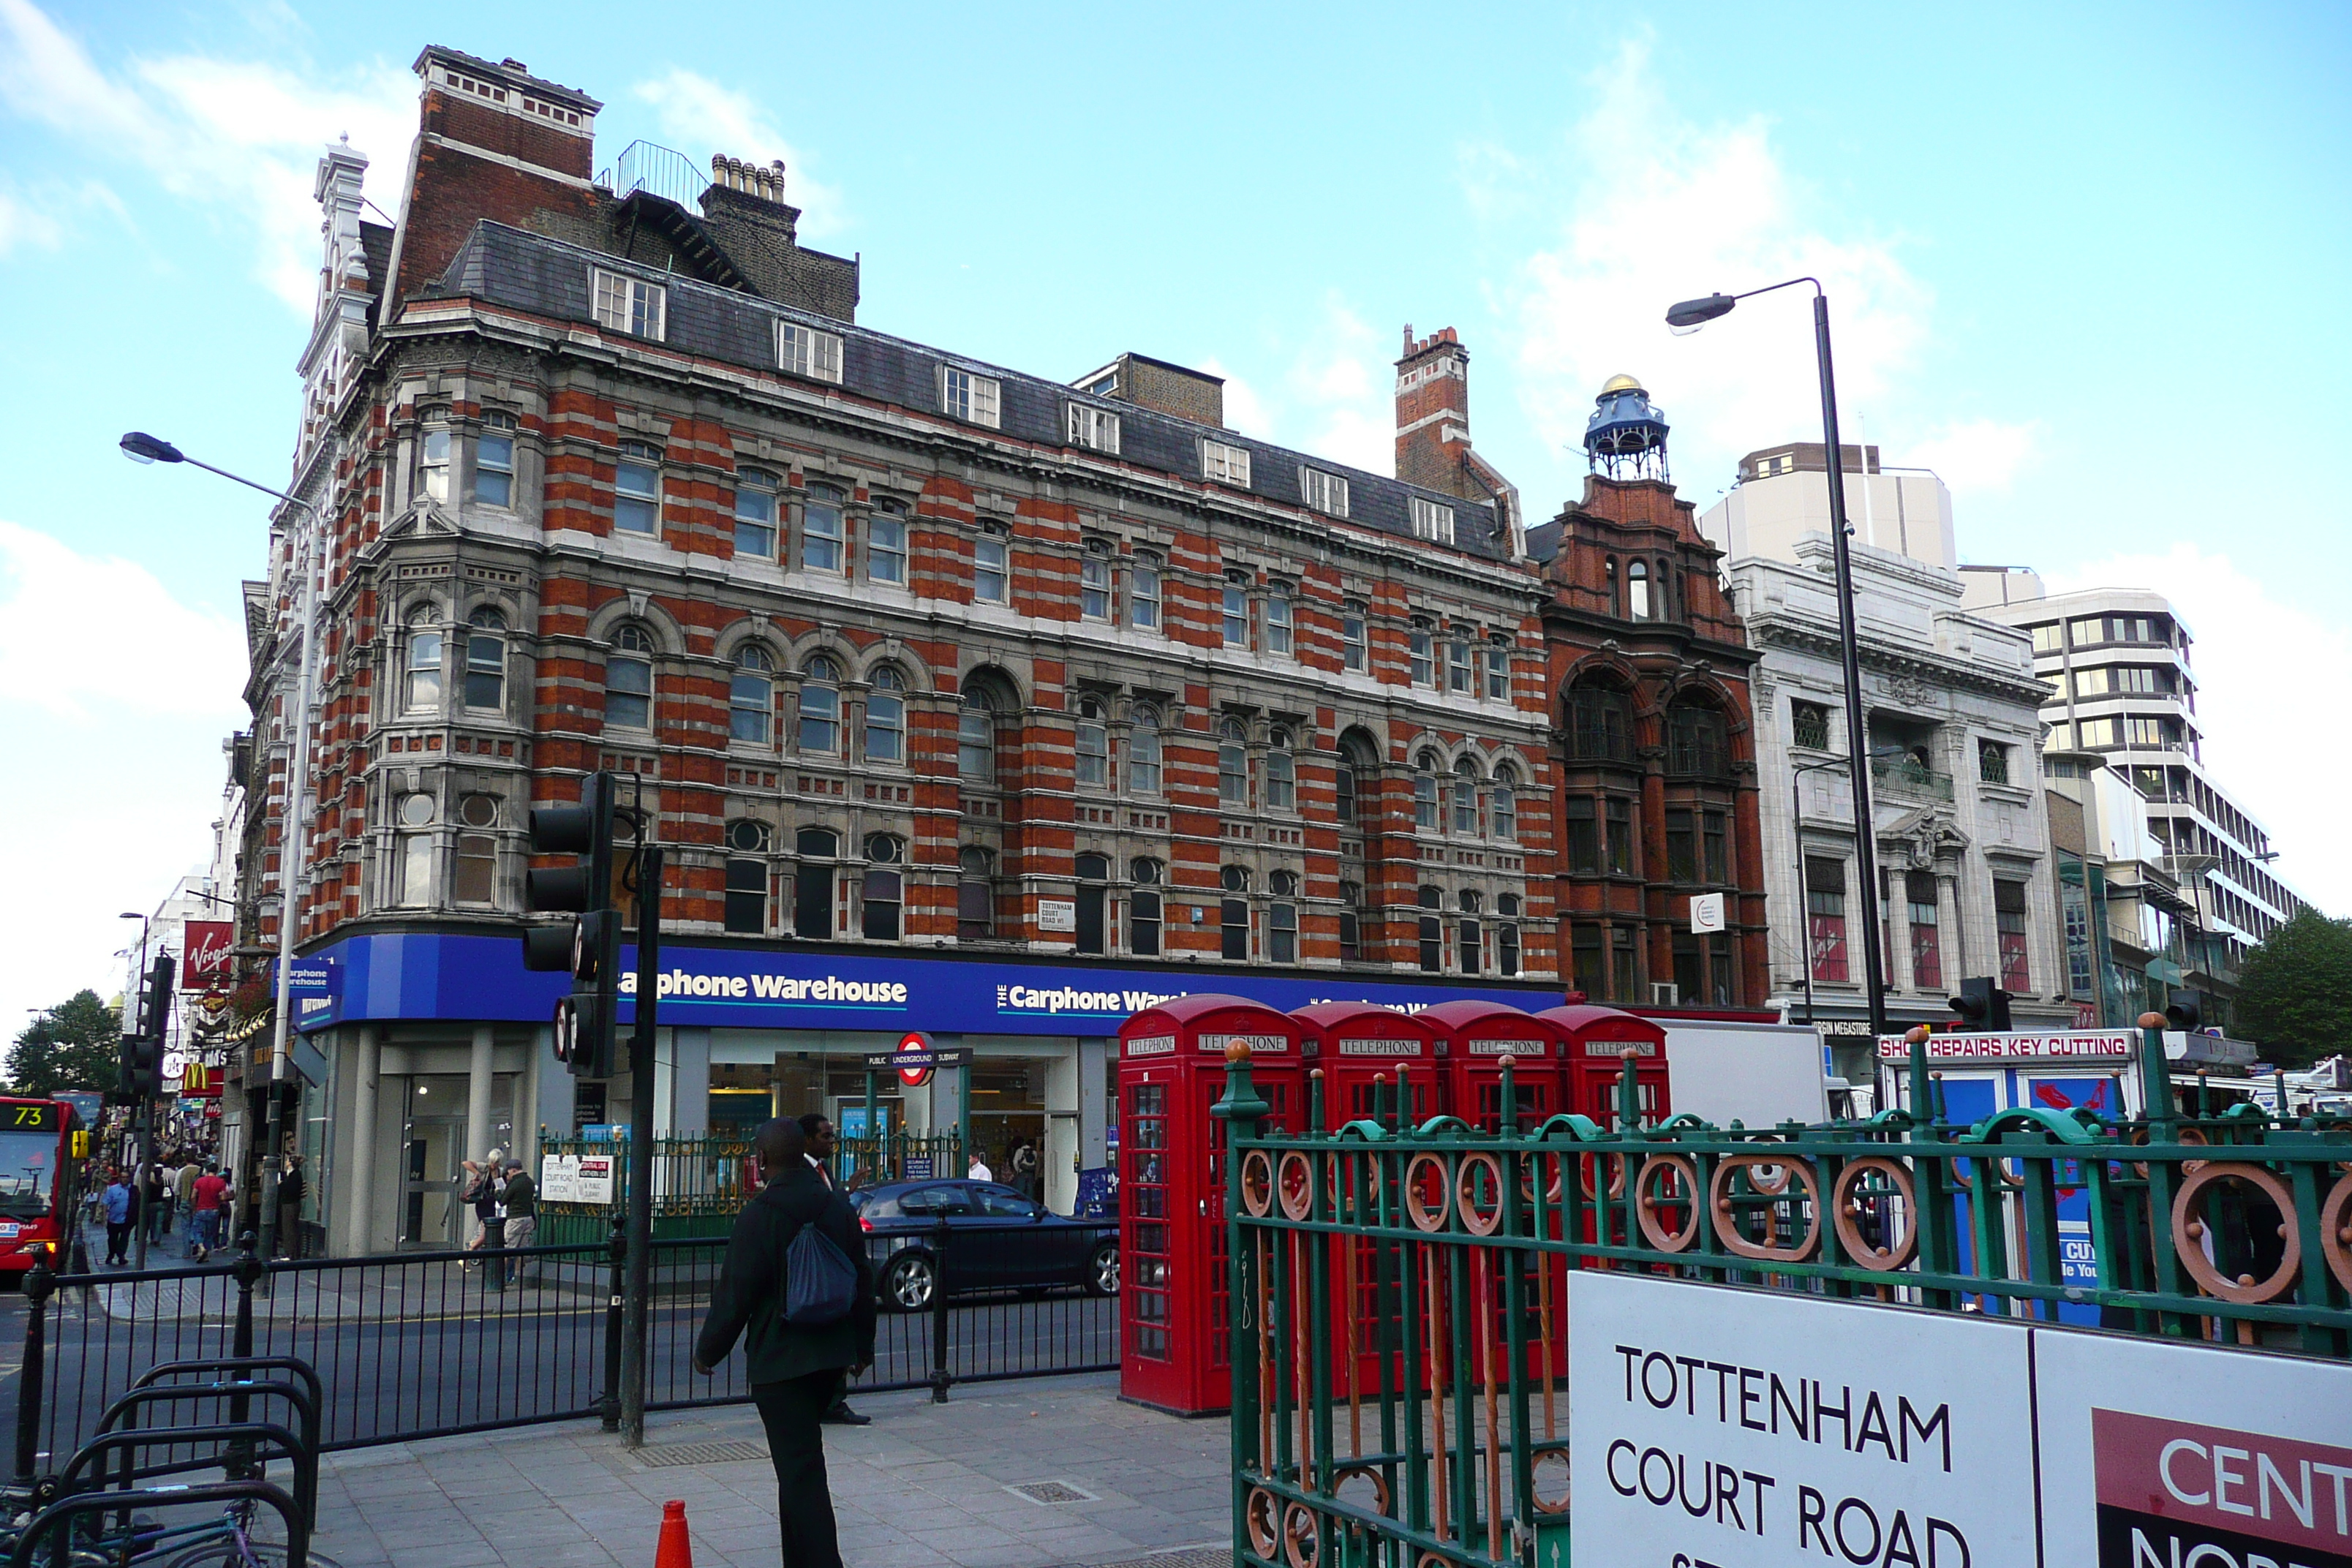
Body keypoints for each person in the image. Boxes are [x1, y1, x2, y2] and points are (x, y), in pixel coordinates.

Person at [694, 1119, 875, 1568]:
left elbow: (736, 1292)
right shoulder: (837, 1207)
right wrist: (863, 1347)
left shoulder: (759, 1214)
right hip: (830, 1353)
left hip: (781, 1361)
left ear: (761, 1161)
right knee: (796, 1469)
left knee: (801, 1472)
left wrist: (708, 1351)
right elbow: (862, 1278)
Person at [795, 1115, 870, 1428]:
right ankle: (823, 1400)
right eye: (826, 1136)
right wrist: (847, 1192)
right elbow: (819, 1208)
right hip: (814, 1262)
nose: (832, 1141)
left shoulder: (824, 1169)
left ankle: (834, 1400)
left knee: (839, 1330)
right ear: (808, 1139)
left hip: (834, 1260)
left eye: (832, 1136)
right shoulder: (801, 1171)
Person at [497, 1157, 536, 1288]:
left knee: (507, 1250)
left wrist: (498, 1192)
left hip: (515, 1219)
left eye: (508, 1172)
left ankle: (500, 1279)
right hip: (528, 1218)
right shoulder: (530, 1182)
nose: (507, 1175)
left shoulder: (515, 1183)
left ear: (513, 1170)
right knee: (521, 1251)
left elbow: (503, 1201)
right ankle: (518, 1277)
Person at [191, 1161, 229, 1262]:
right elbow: (223, 1197)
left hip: (201, 1209)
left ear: (207, 1171)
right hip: (214, 1210)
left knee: (197, 1230)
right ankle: (206, 1254)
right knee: (210, 1233)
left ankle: (201, 1247)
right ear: (217, 1171)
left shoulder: (199, 1181)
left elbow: (193, 1196)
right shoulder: (221, 1182)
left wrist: (194, 1207)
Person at [275, 1156, 305, 1259]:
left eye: (287, 1160)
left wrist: (281, 1184)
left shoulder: (296, 1175)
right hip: (288, 1203)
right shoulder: (291, 1174)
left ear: (291, 1163)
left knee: (290, 1229)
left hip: (291, 1204)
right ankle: (290, 1252)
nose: (286, 1162)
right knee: (288, 1228)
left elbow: (292, 1190)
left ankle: (291, 1253)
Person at [101, 1170, 133, 1266]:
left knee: (124, 1239)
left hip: (126, 1220)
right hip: (113, 1220)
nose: (125, 1179)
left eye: (127, 1177)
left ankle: (121, 1256)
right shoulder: (112, 1189)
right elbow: (106, 1203)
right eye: (123, 1177)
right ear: (120, 1178)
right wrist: (104, 1218)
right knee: (112, 1239)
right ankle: (111, 1254)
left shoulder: (132, 1189)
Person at [173, 1153, 202, 1251]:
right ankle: (195, 1241)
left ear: (185, 1160)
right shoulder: (201, 1170)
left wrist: (180, 1197)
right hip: (198, 1202)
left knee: (185, 1227)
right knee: (197, 1225)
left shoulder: (181, 1171)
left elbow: (176, 1188)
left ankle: (186, 1251)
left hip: (185, 1200)